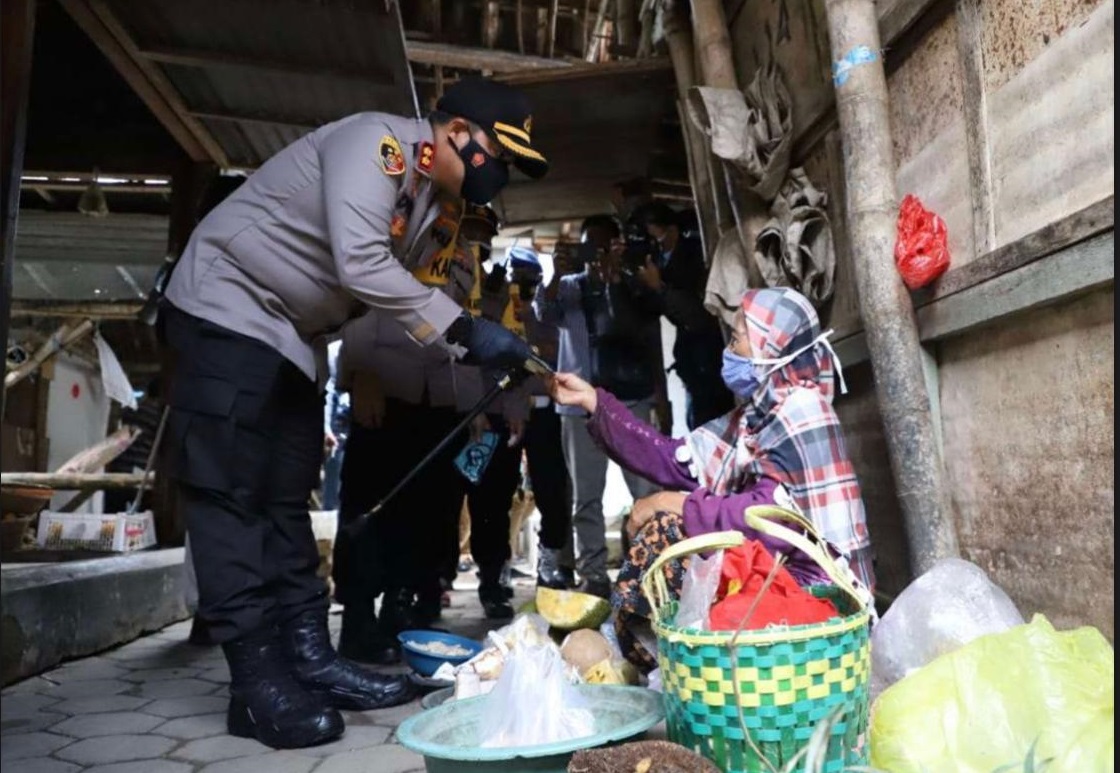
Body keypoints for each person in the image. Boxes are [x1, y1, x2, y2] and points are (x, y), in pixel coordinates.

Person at [159, 75, 548, 750]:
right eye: (498, 154)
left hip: (290, 338)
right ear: (456, 133)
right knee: (231, 495)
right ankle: (253, 681)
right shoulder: (381, 146)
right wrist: (466, 331)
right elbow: (364, 264)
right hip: (227, 310)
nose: (501, 173)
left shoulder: (431, 202)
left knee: (283, 497)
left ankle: (309, 657)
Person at [549, 287, 875, 671]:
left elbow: (770, 515)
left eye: (738, 339)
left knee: (669, 531)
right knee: (671, 532)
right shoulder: (756, 416)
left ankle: (662, 664)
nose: (729, 350)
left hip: (819, 592)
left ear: (771, 350)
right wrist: (593, 402)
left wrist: (672, 503)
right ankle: (653, 664)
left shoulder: (801, 412)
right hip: (780, 571)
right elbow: (675, 460)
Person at [331, 198, 480, 662]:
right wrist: (359, 376)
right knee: (368, 507)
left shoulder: (463, 251)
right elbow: (361, 301)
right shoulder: (395, 228)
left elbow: (462, 327)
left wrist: (471, 406)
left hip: (438, 399)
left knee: (423, 513)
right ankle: (357, 618)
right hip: (385, 388)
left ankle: (400, 609)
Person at [534, 215, 663, 599]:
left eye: (605, 246)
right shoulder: (569, 288)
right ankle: (594, 575)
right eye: (591, 247)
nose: (597, 255)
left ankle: (650, 565)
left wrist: (617, 280)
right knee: (585, 495)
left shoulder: (631, 285)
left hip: (630, 401)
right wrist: (557, 273)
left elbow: (647, 337)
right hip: (578, 407)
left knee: (645, 488)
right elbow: (544, 313)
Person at [469, 244, 574, 604]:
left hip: (543, 411)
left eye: (530, 280)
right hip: (498, 411)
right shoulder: (491, 305)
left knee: (552, 489)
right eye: (517, 277)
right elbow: (484, 352)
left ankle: (550, 562)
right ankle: (492, 572)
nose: (522, 285)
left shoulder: (547, 308)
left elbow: (553, 351)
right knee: (491, 495)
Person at [630, 201, 734, 429]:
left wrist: (660, 287)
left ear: (672, 230)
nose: (655, 246)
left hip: (710, 355)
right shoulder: (655, 261)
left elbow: (699, 314)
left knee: (712, 421)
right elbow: (646, 312)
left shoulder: (695, 257)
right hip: (691, 360)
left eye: (657, 239)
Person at [320, 341, 349, 511]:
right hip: (339, 424)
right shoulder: (333, 351)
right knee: (334, 471)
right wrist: (326, 428)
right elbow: (328, 391)